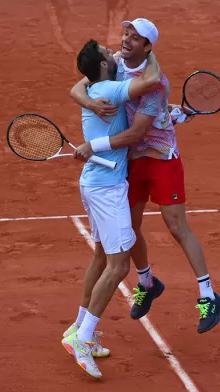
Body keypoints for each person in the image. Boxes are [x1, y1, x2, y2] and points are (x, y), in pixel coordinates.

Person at [70, 18, 220, 334]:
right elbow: (76, 86)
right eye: (126, 33)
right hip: (132, 160)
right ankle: (147, 282)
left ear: (147, 47)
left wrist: (93, 145)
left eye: (135, 38)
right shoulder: (114, 62)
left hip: (160, 158)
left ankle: (209, 296)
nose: (126, 39)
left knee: (175, 225)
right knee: (132, 225)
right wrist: (88, 101)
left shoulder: (156, 82)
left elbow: (138, 131)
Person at [61, 38, 162, 379]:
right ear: (103, 65)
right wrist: (149, 47)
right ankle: (83, 337)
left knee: (102, 256)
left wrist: (86, 97)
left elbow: (78, 85)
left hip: (92, 183)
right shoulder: (113, 89)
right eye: (108, 52)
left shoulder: (94, 85)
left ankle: (77, 326)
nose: (114, 51)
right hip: (108, 188)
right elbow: (151, 81)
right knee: (119, 267)